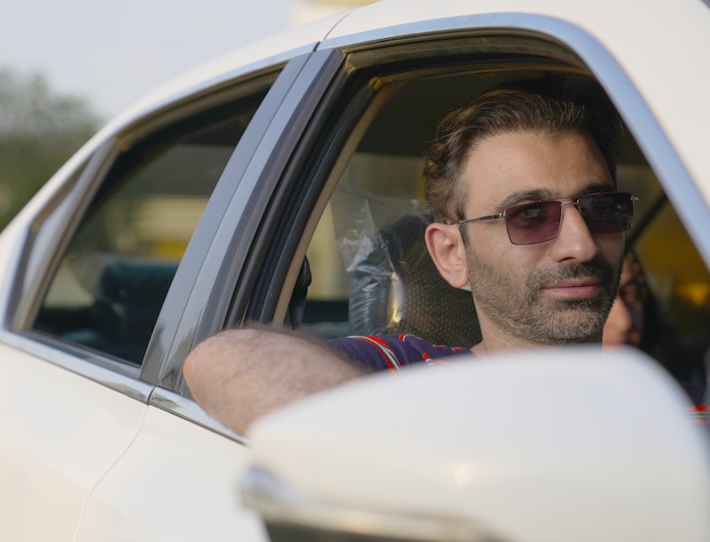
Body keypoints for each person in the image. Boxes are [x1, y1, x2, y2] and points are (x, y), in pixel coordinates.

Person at [183, 79, 633, 434]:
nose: (582, 244)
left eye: (599, 208)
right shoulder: (402, 375)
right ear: (452, 254)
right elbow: (223, 360)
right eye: (530, 215)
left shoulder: (693, 404)